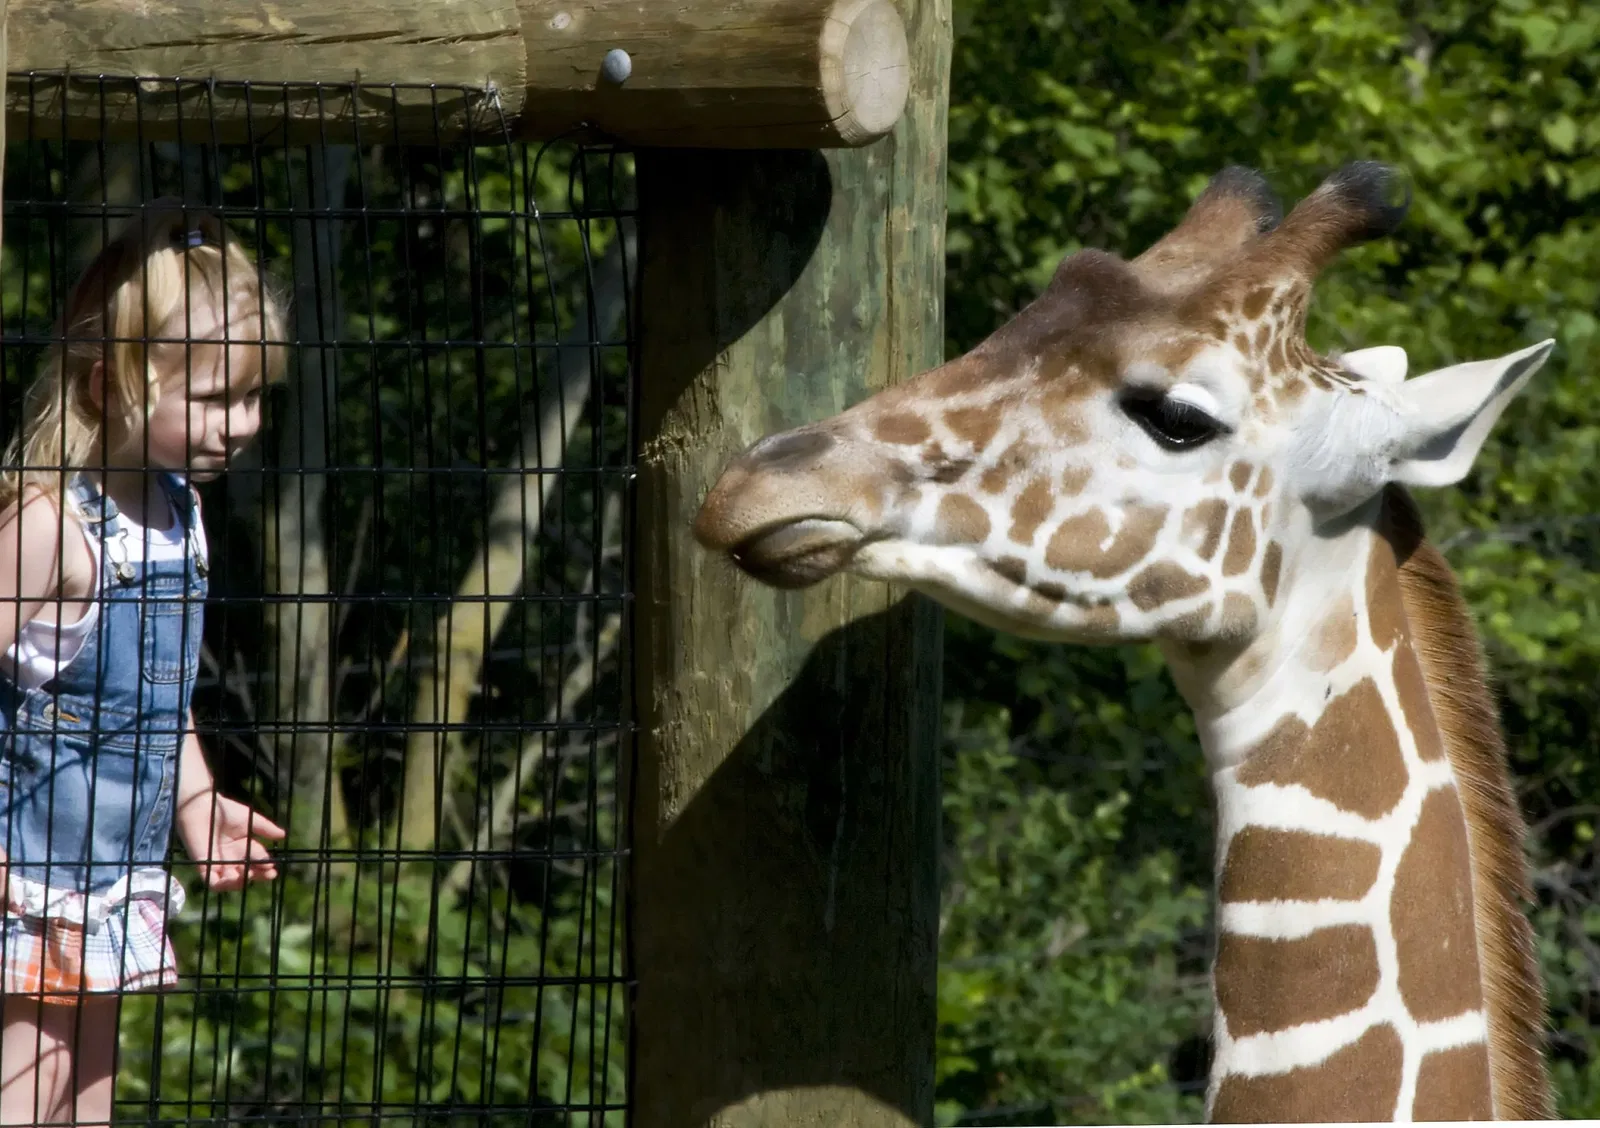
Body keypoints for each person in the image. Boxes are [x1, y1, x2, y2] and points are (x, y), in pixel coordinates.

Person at [0, 202, 289, 1124]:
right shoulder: (50, 526)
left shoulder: (177, 517)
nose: (240, 424)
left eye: (253, 397)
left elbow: (161, 701)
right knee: (27, 1088)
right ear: (109, 383)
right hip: (31, 874)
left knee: (91, 1100)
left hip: (115, 879)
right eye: (213, 398)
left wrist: (199, 806)